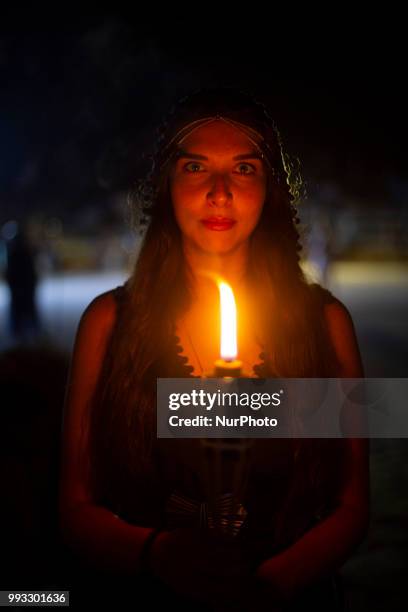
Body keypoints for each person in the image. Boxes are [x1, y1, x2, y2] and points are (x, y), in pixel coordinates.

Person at [59, 88, 370, 611]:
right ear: (167, 186)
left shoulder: (326, 325)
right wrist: (155, 553)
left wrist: (271, 586)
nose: (220, 192)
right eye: (196, 167)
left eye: (244, 169)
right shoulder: (109, 325)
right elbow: (73, 508)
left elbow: (354, 507)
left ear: (271, 189)